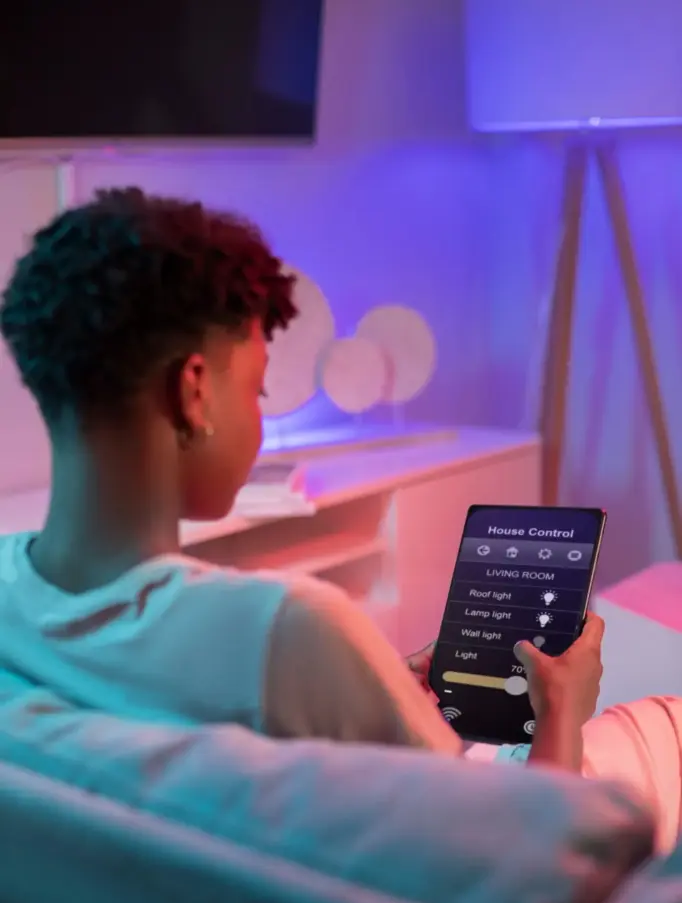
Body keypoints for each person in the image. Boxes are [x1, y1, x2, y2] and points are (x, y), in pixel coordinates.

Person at [0, 189, 677, 848]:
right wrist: (561, 710)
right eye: (257, 389)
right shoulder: (288, 630)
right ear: (193, 391)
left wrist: (369, 695)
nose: (259, 421)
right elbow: (525, 867)